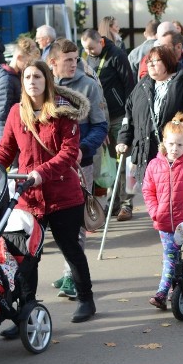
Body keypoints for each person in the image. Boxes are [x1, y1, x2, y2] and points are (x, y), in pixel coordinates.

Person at [0, 60, 97, 325]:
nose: (31, 81)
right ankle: (27, 311)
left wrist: (42, 172)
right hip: (29, 199)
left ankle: (86, 298)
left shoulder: (62, 112)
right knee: (27, 257)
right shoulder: (17, 113)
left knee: (70, 249)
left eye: (37, 76)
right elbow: (6, 151)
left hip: (63, 196)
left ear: (47, 80)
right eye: (27, 77)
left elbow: (69, 153)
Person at [47, 39, 110, 298]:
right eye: (68, 60)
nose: (74, 64)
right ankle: (67, 271)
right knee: (53, 222)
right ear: (53, 63)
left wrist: (82, 148)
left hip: (78, 164)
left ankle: (72, 276)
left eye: (76, 59)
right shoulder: (43, 85)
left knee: (75, 223)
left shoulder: (89, 86)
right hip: (48, 165)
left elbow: (100, 126)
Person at [116, 45, 183, 207]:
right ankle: (163, 224)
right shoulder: (142, 86)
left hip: (178, 156)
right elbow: (129, 114)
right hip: (148, 155)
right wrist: (123, 138)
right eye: (149, 61)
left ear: (168, 62)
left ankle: (174, 228)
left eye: (156, 61)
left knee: (177, 199)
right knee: (156, 198)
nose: (151, 64)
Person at [141, 113, 183, 310]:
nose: (174, 149)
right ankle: (167, 291)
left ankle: (168, 289)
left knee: (172, 256)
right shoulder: (154, 165)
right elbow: (148, 190)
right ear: (164, 142)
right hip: (163, 222)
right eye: (171, 144)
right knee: (171, 256)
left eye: (179, 145)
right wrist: (154, 211)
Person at [81, 28, 135, 220]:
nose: (88, 52)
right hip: (101, 118)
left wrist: (130, 115)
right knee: (110, 163)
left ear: (100, 42)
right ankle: (115, 201)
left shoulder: (117, 55)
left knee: (124, 160)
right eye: (85, 49)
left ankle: (127, 203)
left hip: (120, 116)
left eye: (90, 48)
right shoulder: (88, 60)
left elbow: (130, 85)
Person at [0, 36, 40, 144]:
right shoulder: (6, 80)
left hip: (17, 132)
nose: (29, 66)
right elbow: (3, 113)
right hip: (10, 136)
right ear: (19, 57)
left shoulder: (15, 75)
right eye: (28, 62)